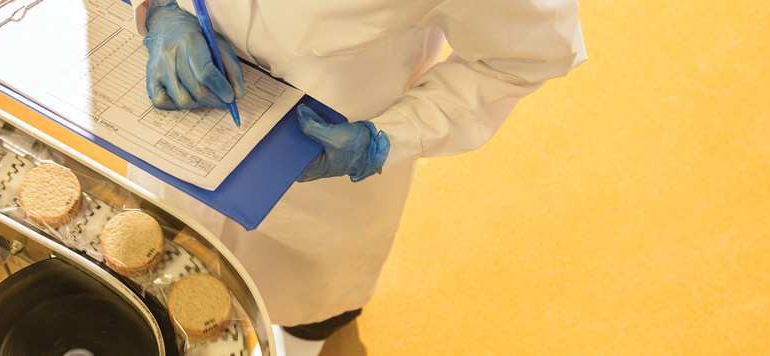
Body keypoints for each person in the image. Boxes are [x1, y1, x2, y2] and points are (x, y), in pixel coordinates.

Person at [127, 0, 586, 353]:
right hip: (172, 130)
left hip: (322, 184)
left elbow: (525, 56)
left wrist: (385, 138)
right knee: (151, 281)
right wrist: (162, 9)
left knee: (312, 319)